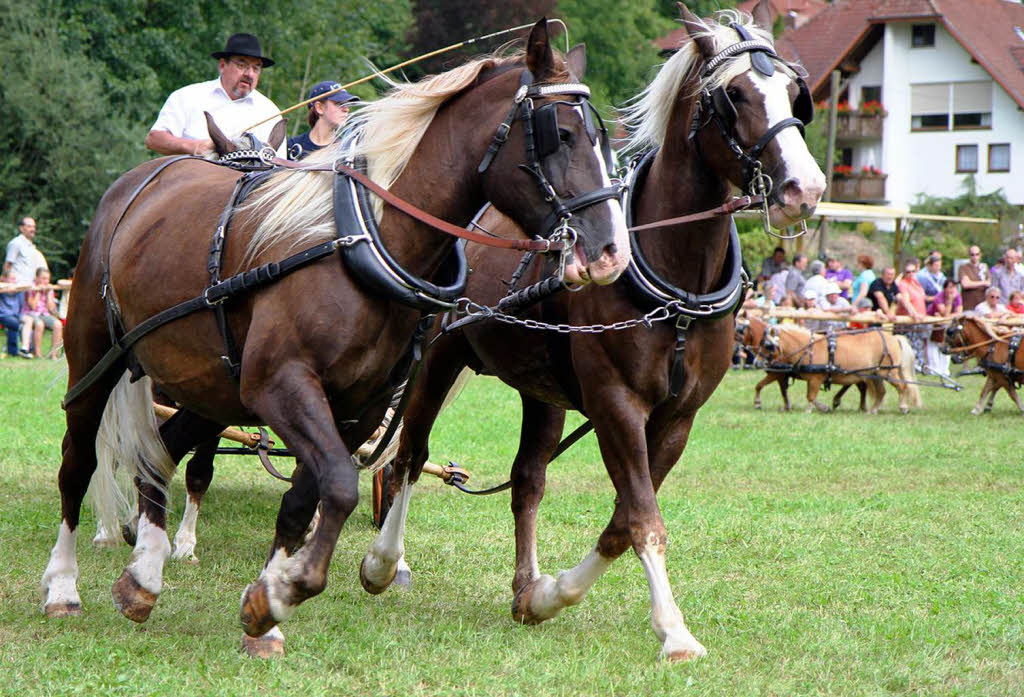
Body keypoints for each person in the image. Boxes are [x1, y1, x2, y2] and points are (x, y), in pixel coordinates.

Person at [145, 33, 285, 158]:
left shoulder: (270, 112)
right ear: (223, 65)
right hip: (190, 180)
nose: (249, 74)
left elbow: (279, 165)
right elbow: (154, 140)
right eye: (242, 65)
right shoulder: (187, 96)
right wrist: (195, 147)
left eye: (256, 68)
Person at [287, 81, 357, 161]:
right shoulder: (291, 146)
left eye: (347, 104)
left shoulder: (346, 151)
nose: (346, 109)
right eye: (339, 103)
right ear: (319, 108)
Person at [20, 267, 62, 359]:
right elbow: (33, 306)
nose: (46, 281)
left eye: (47, 278)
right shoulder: (31, 287)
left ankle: (53, 354)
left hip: (44, 314)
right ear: (37, 278)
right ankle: (38, 354)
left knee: (58, 325)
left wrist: (47, 294)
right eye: (43, 278)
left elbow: (51, 308)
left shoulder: (49, 289)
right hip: (30, 313)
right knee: (39, 324)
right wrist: (38, 292)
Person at [926, 279, 961, 378]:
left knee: (947, 344)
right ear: (945, 288)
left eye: (954, 287)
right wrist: (949, 302)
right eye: (950, 287)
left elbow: (959, 312)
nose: (952, 290)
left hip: (946, 323)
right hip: (933, 322)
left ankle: (944, 370)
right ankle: (934, 368)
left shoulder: (957, 296)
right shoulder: (939, 297)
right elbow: (944, 313)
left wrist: (948, 316)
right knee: (933, 344)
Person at [5, 217, 48, 285]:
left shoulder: (31, 247)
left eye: (34, 227)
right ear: (21, 228)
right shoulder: (16, 243)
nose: (33, 229)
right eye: (29, 226)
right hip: (18, 288)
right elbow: (7, 266)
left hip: (30, 287)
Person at [0, 270, 24, 358]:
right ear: (5, 279)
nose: (13, 281)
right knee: (14, 323)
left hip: (16, 315)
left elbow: (21, 305)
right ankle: (13, 351)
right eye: (11, 279)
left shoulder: (19, 290)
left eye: (14, 279)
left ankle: (27, 350)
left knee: (28, 322)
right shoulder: (1, 289)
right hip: (3, 315)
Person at [958, 245, 989, 310]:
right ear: (969, 255)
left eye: (977, 254)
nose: (975, 257)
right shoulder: (963, 267)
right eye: (972, 255)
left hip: (983, 305)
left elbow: (989, 283)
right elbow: (965, 284)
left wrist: (972, 283)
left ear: (980, 255)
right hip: (969, 305)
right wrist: (983, 283)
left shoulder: (984, 267)